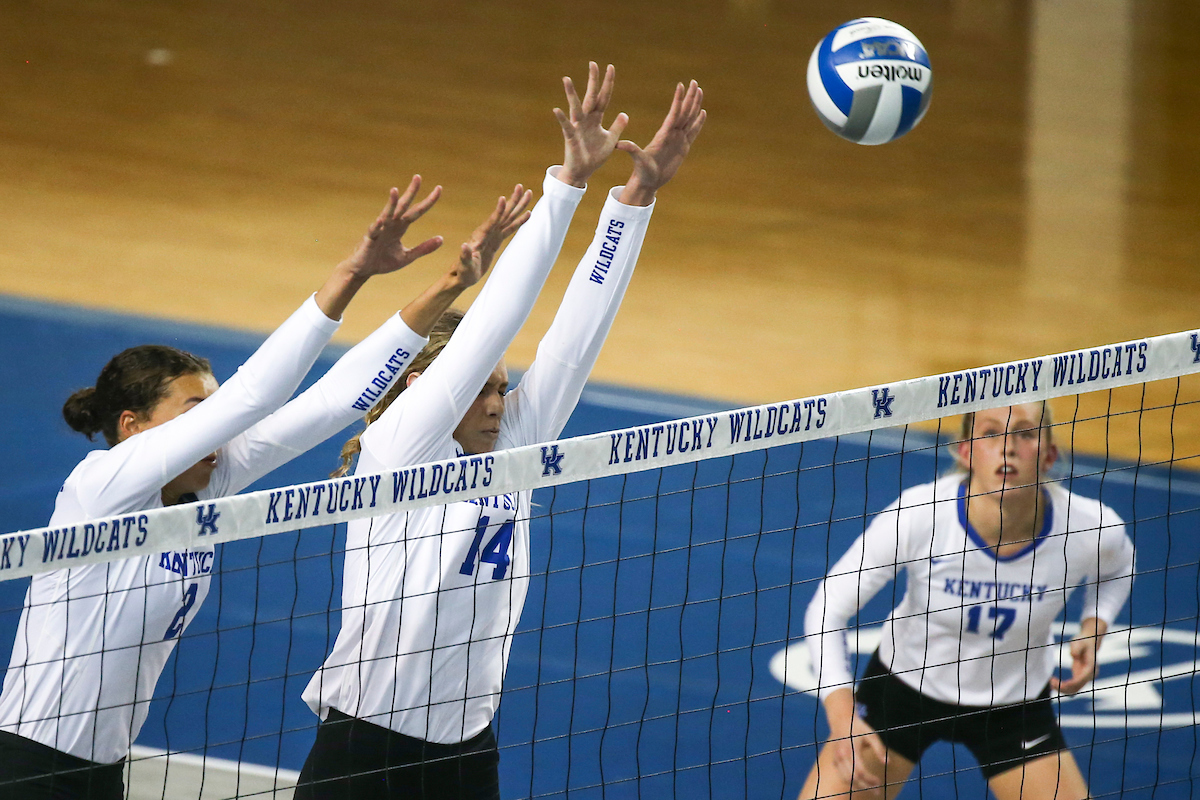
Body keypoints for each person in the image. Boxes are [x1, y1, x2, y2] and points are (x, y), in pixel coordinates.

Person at [0, 176, 533, 799]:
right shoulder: (101, 487)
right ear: (133, 426)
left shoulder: (209, 483)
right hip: (27, 766)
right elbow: (256, 397)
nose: (214, 424)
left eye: (213, 408)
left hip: (100, 774)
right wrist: (348, 274)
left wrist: (447, 287)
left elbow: (337, 400)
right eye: (193, 409)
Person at [296, 63, 705, 800]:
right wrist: (566, 185)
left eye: (501, 388)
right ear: (422, 390)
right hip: (365, 746)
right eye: (482, 388)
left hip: (465, 750)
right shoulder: (400, 453)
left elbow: (575, 343)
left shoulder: (511, 451)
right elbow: (492, 326)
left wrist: (634, 199)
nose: (498, 402)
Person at [799, 402, 1136, 800]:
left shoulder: (1090, 526)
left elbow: (1118, 566)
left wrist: (1093, 626)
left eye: (1025, 434)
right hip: (902, 691)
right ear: (966, 452)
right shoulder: (920, 514)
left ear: (1048, 455)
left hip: (1014, 706)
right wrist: (843, 719)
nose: (1007, 447)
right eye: (990, 433)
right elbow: (827, 608)